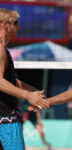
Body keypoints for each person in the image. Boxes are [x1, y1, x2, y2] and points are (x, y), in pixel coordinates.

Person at [0, 8, 49, 150]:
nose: (18, 27)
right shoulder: (0, 49)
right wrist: (28, 95)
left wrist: (34, 92)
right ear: (5, 25)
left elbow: (10, 82)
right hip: (5, 119)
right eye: (16, 23)